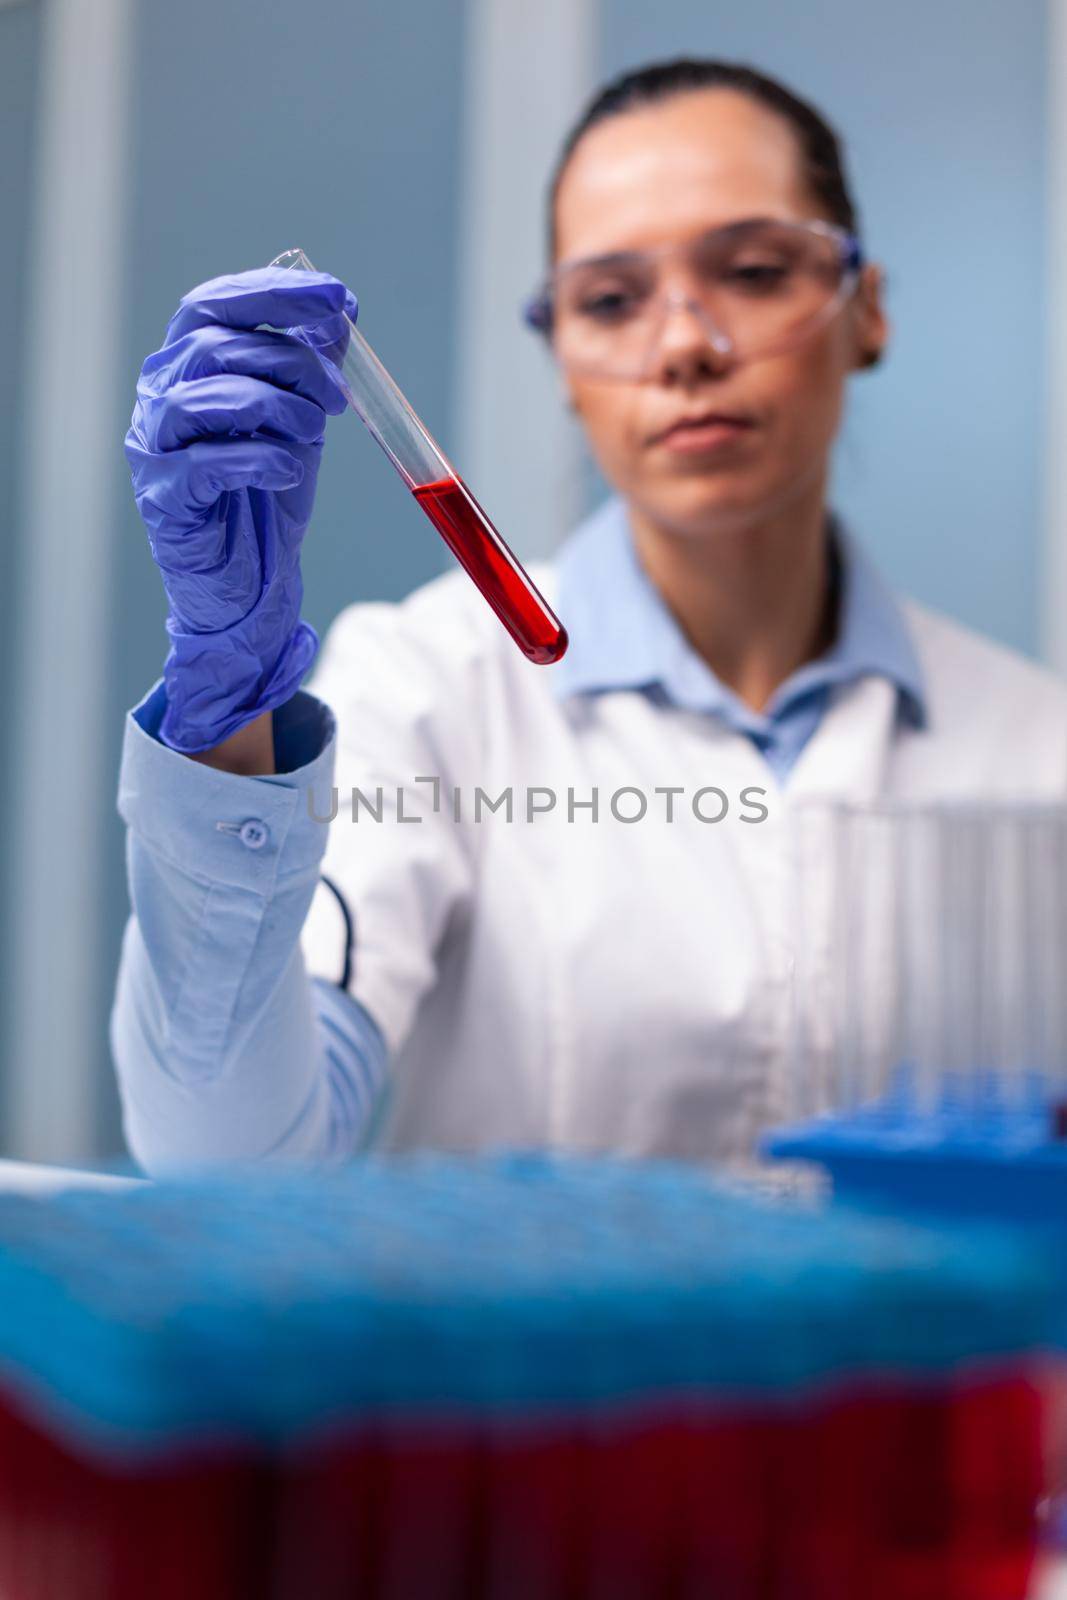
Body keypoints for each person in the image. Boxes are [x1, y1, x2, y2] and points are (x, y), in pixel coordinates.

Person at [112, 58, 1067, 1174]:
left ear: (865, 311)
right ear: (562, 357)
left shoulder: (1033, 744)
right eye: (609, 300)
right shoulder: (427, 685)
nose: (682, 347)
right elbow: (222, 1159)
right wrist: (227, 717)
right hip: (525, 1358)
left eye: (753, 271)